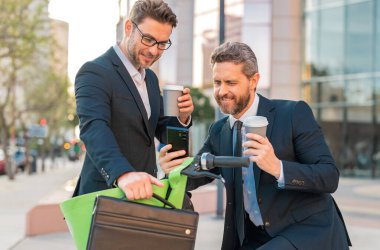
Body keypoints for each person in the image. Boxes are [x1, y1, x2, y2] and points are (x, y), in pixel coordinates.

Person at [159, 42, 351, 250]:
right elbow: (195, 175)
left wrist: (278, 168)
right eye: (217, 82)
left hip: (305, 231)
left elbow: (329, 176)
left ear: (254, 81)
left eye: (230, 82)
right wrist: (172, 169)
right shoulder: (219, 130)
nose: (222, 91)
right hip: (255, 236)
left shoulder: (293, 114)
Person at [73, 0, 194, 200]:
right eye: (148, 39)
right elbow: (94, 128)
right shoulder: (94, 72)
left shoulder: (151, 79)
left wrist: (182, 118)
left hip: (146, 195)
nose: (154, 51)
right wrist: (123, 173)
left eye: (162, 44)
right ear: (129, 27)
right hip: (105, 196)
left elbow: (159, 130)